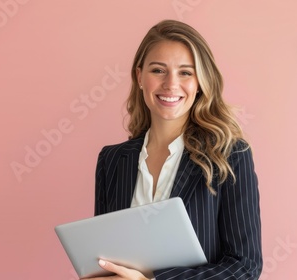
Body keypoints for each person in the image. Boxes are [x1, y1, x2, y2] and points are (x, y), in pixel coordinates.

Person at [90, 19, 262, 280]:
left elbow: (245, 267)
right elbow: (103, 260)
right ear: (139, 76)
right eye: (158, 70)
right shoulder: (112, 160)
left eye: (185, 72)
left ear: (201, 81)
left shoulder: (230, 155)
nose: (171, 84)